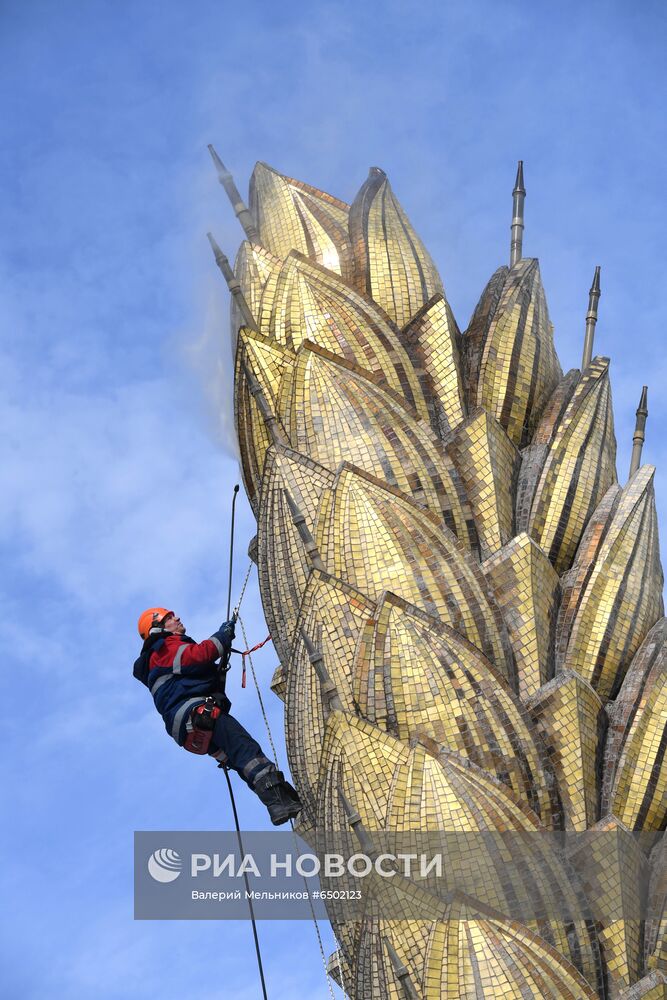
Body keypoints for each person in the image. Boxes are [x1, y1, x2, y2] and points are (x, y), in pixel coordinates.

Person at [134, 607, 301, 826]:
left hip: (189, 731)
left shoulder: (154, 662)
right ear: (158, 628)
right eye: (170, 618)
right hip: (198, 713)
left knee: (240, 760)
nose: (177, 618)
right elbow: (201, 654)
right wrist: (224, 634)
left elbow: (196, 673)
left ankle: (284, 799)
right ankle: (279, 800)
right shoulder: (164, 648)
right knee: (245, 748)